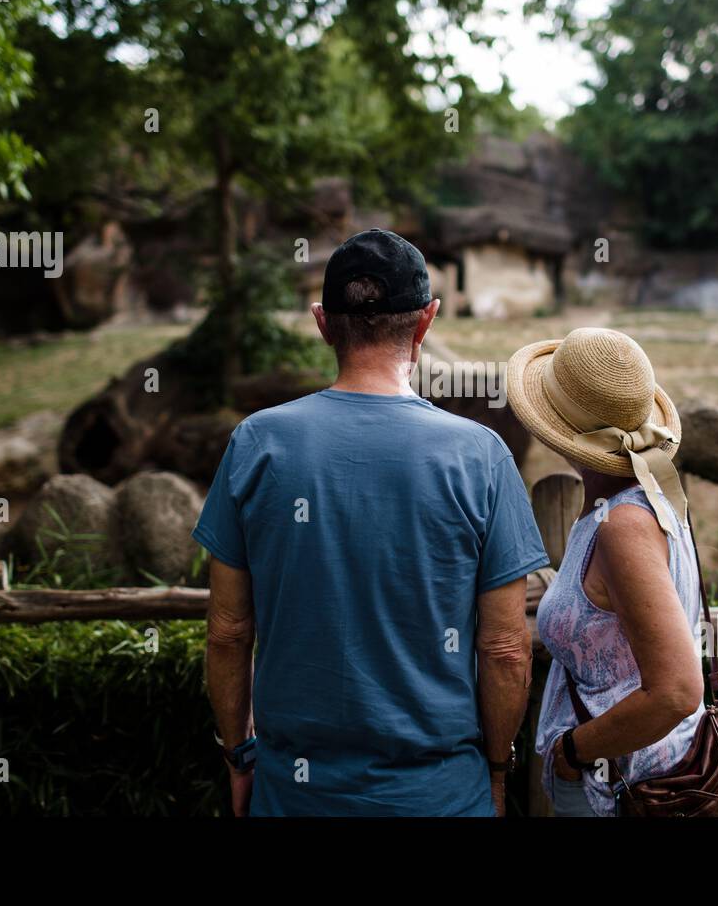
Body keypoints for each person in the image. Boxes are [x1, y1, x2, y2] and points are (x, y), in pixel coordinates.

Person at [194, 228, 549, 816]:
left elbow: (228, 632)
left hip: (294, 793)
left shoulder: (257, 443)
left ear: (322, 322)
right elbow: (508, 647)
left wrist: (239, 755)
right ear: (427, 322)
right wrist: (495, 767)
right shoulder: (481, 456)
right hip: (442, 795)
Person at [504, 327, 705, 816]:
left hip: (624, 787)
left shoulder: (622, 527)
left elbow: (677, 690)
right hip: (635, 772)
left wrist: (572, 752)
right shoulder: (652, 496)